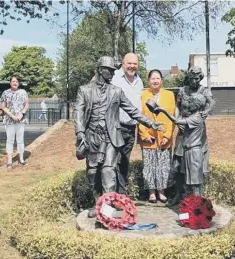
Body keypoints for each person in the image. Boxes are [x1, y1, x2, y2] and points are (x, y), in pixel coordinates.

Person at [73, 56, 164, 218]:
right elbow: (78, 113)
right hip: (92, 136)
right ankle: (97, 203)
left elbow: (133, 110)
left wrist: (151, 123)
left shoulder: (116, 91)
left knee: (108, 171)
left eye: (114, 71)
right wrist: (80, 133)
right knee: (93, 172)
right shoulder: (84, 90)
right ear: (101, 70)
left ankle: (107, 208)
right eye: (109, 70)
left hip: (110, 137)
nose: (112, 73)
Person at [167, 66, 215, 205]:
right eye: (191, 78)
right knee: (177, 164)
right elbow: (177, 106)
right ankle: (177, 194)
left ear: (200, 78)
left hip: (196, 130)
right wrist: (177, 121)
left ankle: (197, 197)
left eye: (196, 78)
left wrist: (207, 111)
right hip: (182, 129)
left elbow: (211, 103)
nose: (193, 81)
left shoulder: (204, 91)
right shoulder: (182, 90)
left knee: (195, 164)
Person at [138, 69, 176, 203]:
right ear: (148, 81)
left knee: (163, 165)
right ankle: (152, 193)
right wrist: (144, 134)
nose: (155, 81)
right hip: (149, 138)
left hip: (164, 137)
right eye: (152, 79)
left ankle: (161, 191)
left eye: (158, 78)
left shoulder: (169, 95)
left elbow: (172, 117)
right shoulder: (142, 95)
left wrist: (167, 135)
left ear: (161, 81)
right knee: (149, 165)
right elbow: (139, 116)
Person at [111, 53, 144, 194]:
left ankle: (121, 195)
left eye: (135, 64)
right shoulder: (114, 78)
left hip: (131, 129)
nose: (132, 66)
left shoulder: (139, 81)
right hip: (116, 127)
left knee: (124, 162)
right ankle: (109, 195)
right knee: (111, 162)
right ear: (123, 63)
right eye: (129, 63)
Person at [1, 76, 29, 168]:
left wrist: (21, 114)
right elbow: (3, 107)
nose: (15, 83)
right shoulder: (5, 93)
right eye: (13, 81)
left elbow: (26, 104)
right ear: (10, 83)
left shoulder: (23, 92)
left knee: (20, 139)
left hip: (21, 119)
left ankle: (21, 159)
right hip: (9, 120)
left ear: (19, 83)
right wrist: (12, 116)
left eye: (16, 81)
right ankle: (9, 160)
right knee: (10, 140)